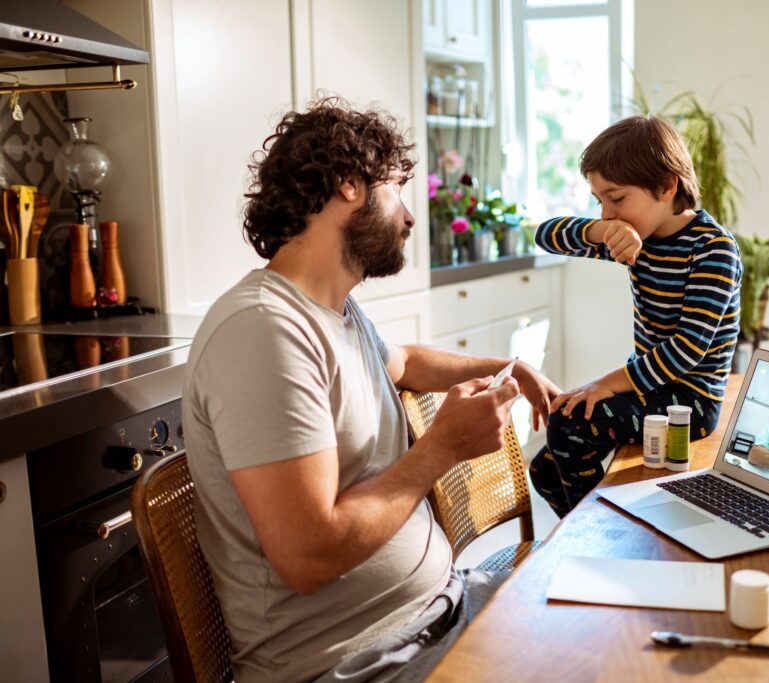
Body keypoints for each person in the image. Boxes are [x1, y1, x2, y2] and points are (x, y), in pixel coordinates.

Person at [182, 98, 560, 683]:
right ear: (348, 186)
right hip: (359, 662)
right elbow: (309, 555)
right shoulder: (263, 332)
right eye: (397, 190)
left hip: (439, 610)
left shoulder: (337, 310)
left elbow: (402, 362)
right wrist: (442, 448)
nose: (409, 217)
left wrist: (506, 365)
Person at [527, 115, 743, 517]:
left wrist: (604, 385)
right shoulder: (628, 236)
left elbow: (686, 351)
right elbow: (544, 235)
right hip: (650, 385)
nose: (607, 212)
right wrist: (597, 233)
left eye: (617, 198)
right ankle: (586, 533)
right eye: (599, 200)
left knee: (568, 425)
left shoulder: (713, 250)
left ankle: (601, 535)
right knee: (543, 472)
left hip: (691, 401)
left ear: (666, 186)